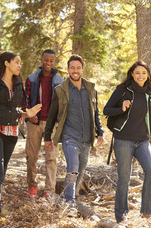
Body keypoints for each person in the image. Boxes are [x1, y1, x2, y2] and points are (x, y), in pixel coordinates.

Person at [0, 52, 41, 222]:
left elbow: (16, 111)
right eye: (16, 62)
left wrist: (27, 113)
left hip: (11, 132)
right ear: (6, 63)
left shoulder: (18, 84)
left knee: (1, 173)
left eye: (20, 62)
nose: (19, 65)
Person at [44, 54, 104, 208]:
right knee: (73, 169)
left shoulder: (90, 89)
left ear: (82, 69)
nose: (75, 70)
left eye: (78, 67)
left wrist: (100, 133)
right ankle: (69, 202)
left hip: (86, 139)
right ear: (68, 69)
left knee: (81, 171)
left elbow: (95, 112)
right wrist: (48, 137)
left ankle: (68, 195)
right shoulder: (60, 90)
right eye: (72, 68)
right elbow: (52, 115)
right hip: (69, 137)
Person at [103, 61, 151, 224]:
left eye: (144, 73)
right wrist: (122, 108)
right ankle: (121, 214)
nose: (141, 76)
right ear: (132, 74)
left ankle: (147, 211)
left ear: (148, 75)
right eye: (137, 73)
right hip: (123, 140)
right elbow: (106, 110)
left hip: (142, 140)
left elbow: (143, 117)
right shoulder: (122, 90)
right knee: (124, 178)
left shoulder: (148, 93)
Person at [25, 49, 63, 199]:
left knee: (51, 158)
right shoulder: (32, 79)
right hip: (34, 124)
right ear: (41, 60)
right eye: (46, 60)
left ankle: (49, 190)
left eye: (51, 61)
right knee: (31, 157)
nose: (48, 63)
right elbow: (25, 100)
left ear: (54, 62)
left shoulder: (59, 81)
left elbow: (62, 104)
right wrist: (29, 115)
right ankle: (32, 187)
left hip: (51, 125)